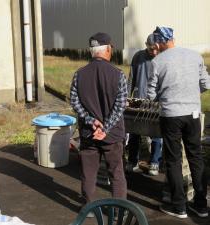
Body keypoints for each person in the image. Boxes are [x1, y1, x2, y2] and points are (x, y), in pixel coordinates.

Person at [147, 26, 210, 219]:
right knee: (196, 157)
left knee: (173, 160)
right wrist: (190, 94)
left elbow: (150, 95)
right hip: (192, 114)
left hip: (171, 115)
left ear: (158, 42)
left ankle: (179, 207)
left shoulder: (157, 61)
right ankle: (201, 205)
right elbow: (206, 84)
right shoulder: (195, 56)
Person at [70, 32, 127, 216]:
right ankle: (120, 210)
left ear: (92, 51)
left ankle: (89, 208)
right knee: (116, 173)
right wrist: (106, 127)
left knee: (88, 172)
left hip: (89, 133)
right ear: (108, 49)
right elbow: (120, 106)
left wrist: (90, 120)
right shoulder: (118, 74)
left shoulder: (79, 74)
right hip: (112, 135)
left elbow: (74, 101)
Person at [126, 34, 162, 176]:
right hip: (138, 101)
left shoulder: (162, 58)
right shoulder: (138, 56)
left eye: (156, 49)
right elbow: (131, 79)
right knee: (134, 132)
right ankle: (132, 162)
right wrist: (127, 97)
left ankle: (154, 163)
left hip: (156, 102)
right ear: (146, 45)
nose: (153, 52)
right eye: (151, 48)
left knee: (156, 133)